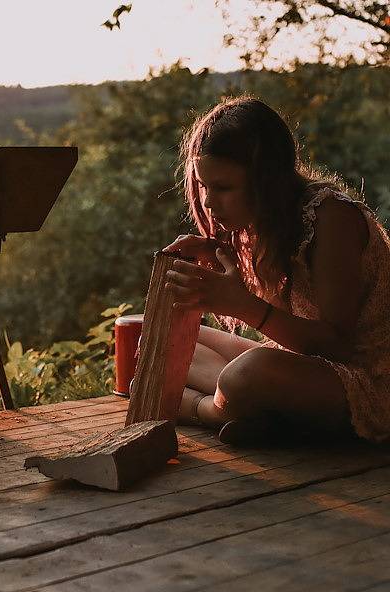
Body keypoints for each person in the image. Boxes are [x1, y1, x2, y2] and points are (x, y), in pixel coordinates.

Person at [162, 96, 390, 445]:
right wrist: (219, 254)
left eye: (223, 187)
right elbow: (293, 342)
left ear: (265, 180)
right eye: (205, 185)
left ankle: (202, 408)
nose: (208, 202)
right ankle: (259, 412)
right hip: (304, 368)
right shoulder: (262, 226)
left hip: (369, 381)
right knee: (153, 330)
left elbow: (339, 347)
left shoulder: (332, 219)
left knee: (247, 375)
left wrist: (242, 305)